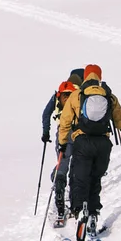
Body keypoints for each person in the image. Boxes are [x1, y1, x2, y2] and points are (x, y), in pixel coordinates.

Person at [56, 63, 121, 240]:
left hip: (82, 141)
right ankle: (94, 213)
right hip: (103, 144)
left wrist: (63, 143)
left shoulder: (76, 95)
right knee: (95, 178)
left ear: (85, 76)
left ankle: (80, 211)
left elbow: (65, 121)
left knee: (80, 178)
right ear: (99, 76)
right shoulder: (110, 96)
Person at [40, 71, 81, 227]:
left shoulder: (57, 94)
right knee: (76, 166)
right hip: (77, 133)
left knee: (62, 164)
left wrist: (45, 132)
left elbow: (45, 114)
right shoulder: (79, 93)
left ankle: (59, 189)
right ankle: (75, 200)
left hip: (61, 133)